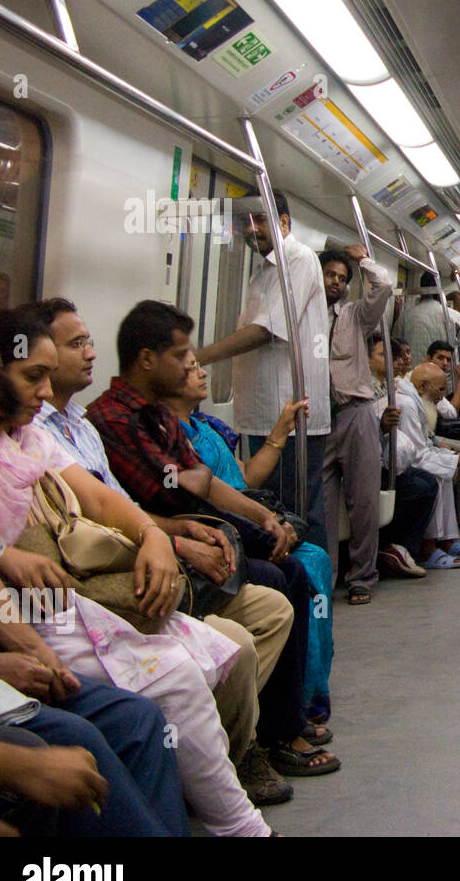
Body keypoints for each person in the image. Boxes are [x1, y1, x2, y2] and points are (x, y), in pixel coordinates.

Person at [0, 313, 276, 835]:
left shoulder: (52, 438)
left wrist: (159, 537)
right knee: (173, 681)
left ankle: (220, 780)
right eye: (32, 376)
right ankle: (234, 818)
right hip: (55, 601)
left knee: (251, 618)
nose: (44, 393)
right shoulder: (102, 423)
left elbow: (105, 499)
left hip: (66, 597)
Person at [86, 300, 339, 780]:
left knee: (291, 568)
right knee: (276, 574)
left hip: (197, 531)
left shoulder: (158, 417)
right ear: (146, 360)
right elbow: (175, 490)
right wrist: (196, 484)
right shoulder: (116, 419)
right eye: (181, 356)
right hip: (168, 546)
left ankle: (276, 727)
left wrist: (262, 515)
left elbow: (210, 483)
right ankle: (267, 736)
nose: (190, 364)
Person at [167, 358, 335, 731]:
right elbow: (201, 499)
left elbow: (245, 476)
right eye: (191, 366)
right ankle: (286, 712)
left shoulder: (206, 426)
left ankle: (310, 694)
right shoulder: (169, 439)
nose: (203, 372)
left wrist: (280, 431)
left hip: (251, 516)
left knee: (317, 558)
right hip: (228, 527)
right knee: (294, 569)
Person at [195, 191, 332, 547]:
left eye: (260, 220)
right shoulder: (266, 269)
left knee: (295, 509)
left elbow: (263, 331)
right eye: (245, 222)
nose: (250, 229)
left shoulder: (297, 259)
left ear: (284, 221)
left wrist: (197, 357)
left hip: (286, 411)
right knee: (276, 506)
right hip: (265, 411)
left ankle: (311, 593)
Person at [320, 244, 394, 604]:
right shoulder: (300, 316)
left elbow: (383, 285)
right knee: (322, 506)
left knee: (363, 502)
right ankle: (326, 577)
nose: (334, 281)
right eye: (329, 274)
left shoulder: (353, 316)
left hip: (356, 412)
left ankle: (362, 576)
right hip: (318, 417)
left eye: (341, 277)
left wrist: (362, 260)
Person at [393, 362, 460, 569]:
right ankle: (428, 547)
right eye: (440, 390)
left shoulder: (419, 399)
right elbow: (416, 456)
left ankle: (447, 538)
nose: (442, 396)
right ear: (424, 385)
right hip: (402, 463)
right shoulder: (406, 404)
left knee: (451, 464)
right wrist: (458, 459)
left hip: (423, 447)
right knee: (435, 474)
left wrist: (454, 456)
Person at [367, 334, 437, 578]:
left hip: (387, 455)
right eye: (382, 355)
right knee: (418, 486)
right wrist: (381, 425)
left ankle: (403, 547)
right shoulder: (366, 389)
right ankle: (390, 544)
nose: (393, 361)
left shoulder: (389, 386)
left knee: (428, 481)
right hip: (370, 461)